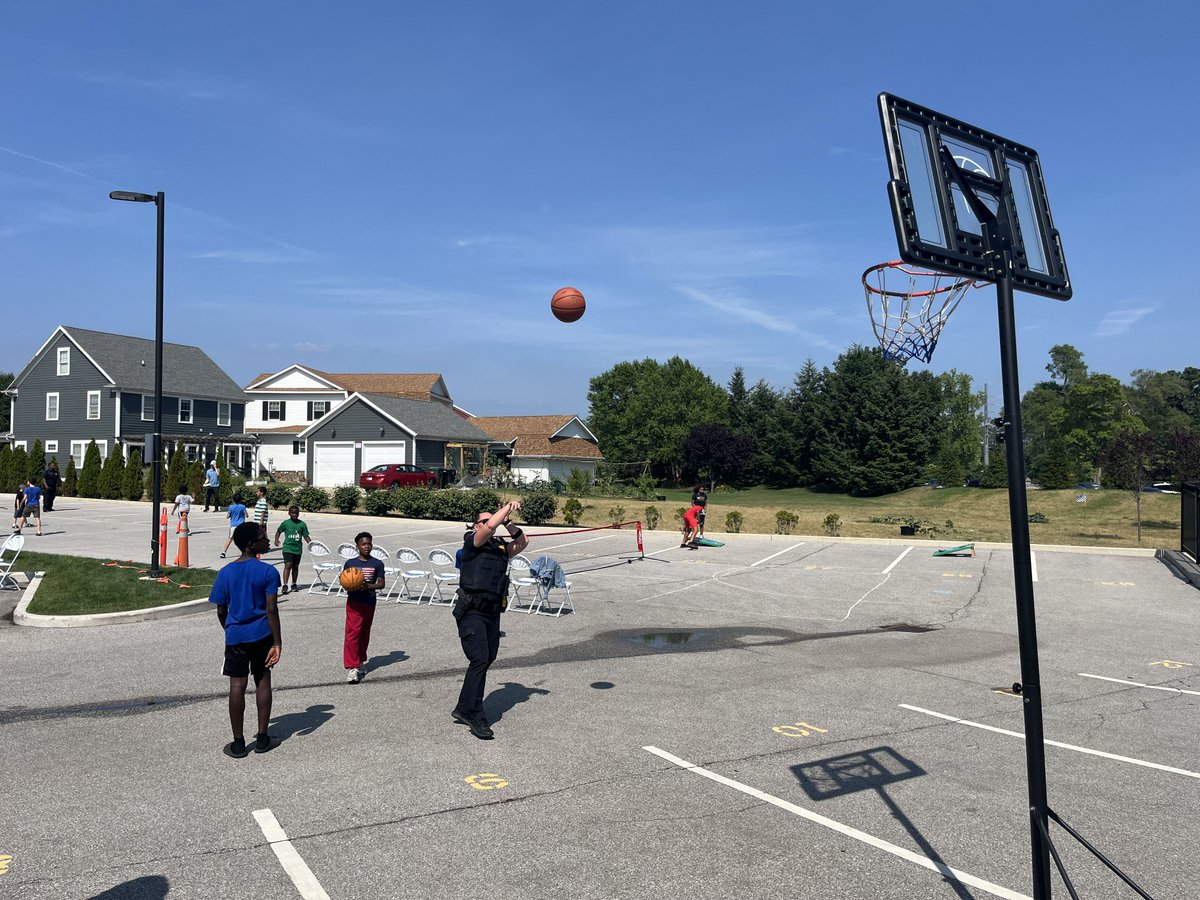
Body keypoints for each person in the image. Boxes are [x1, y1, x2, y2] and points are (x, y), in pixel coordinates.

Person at [452, 500, 528, 740]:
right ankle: (475, 714)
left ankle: (464, 707)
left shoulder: (500, 548)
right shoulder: (472, 543)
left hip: (492, 612)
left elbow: (522, 542)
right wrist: (505, 508)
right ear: (475, 525)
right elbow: (488, 528)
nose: (489, 523)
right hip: (472, 611)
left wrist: (508, 522)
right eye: (484, 520)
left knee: (487, 658)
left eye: (491, 519)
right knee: (479, 658)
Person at [210, 522, 282, 758]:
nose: (268, 540)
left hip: (236, 637)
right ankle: (262, 738)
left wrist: (229, 629)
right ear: (252, 545)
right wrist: (277, 642)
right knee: (262, 682)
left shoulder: (225, 572)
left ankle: (239, 742)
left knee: (237, 686)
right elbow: (271, 609)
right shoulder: (268, 572)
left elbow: (221, 609)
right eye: (263, 537)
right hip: (262, 634)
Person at [342, 532, 386, 684]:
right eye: (363, 544)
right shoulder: (350, 563)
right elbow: (344, 581)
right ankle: (352, 667)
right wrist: (350, 585)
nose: (367, 547)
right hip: (354, 603)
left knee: (364, 633)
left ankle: (360, 661)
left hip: (369, 602)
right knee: (352, 633)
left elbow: (381, 583)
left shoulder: (377, 563)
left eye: (369, 544)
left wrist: (369, 586)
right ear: (357, 546)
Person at [274, 505, 312, 595]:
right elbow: (278, 531)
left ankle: (294, 583)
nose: (294, 515)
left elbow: (306, 536)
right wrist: (276, 539)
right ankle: (285, 585)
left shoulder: (302, 524)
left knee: (295, 566)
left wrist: (312, 545)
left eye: (296, 513)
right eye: (293, 513)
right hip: (288, 548)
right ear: (289, 513)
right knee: (288, 565)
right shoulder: (285, 523)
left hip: (297, 549)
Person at [221, 492, 249, 558]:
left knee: (230, 539)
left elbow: (227, 516)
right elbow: (246, 515)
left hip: (233, 525)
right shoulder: (243, 507)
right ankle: (246, 552)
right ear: (240, 499)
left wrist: (231, 515)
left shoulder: (231, 507)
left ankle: (224, 552)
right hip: (241, 525)